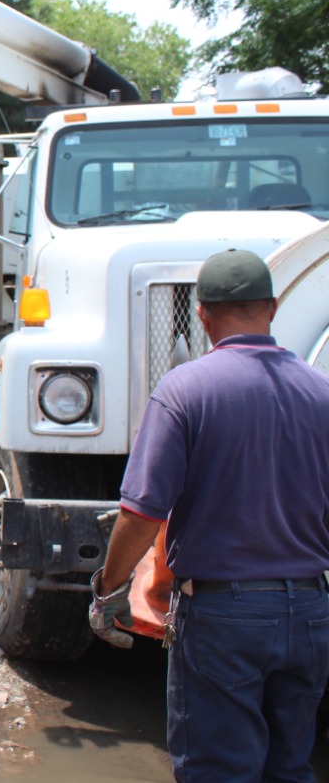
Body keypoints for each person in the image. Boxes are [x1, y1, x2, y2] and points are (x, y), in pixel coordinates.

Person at [89, 248, 329, 782]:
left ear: (201, 315)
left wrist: (109, 591)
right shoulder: (321, 392)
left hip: (225, 618)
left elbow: (141, 513)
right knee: (289, 768)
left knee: (217, 771)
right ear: (271, 308)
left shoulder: (186, 391)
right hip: (312, 612)